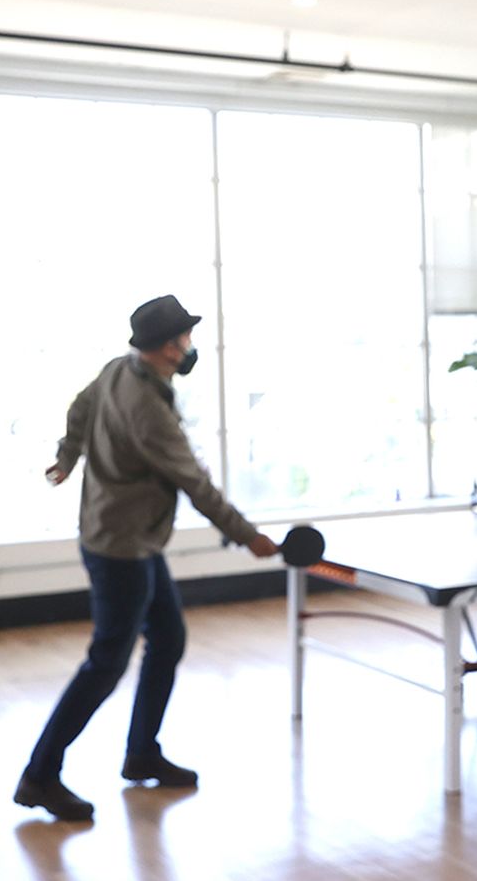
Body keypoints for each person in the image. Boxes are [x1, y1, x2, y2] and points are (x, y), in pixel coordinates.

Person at [15, 295, 279, 822]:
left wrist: (68, 455)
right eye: (185, 337)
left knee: (168, 637)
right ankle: (40, 775)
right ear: (169, 346)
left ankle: (141, 754)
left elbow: (81, 406)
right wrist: (249, 537)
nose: (190, 345)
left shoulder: (120, 368)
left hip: (123, 537)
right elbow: (195, 483)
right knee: (106, 663)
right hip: (123, 548)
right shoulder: (149, 411)